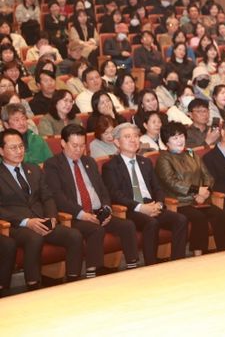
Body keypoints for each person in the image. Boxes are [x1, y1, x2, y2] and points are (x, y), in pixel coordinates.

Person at [44, 124, 138, 278]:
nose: (79, 150)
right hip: (74, 216)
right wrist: (82, 214)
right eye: (74, 145)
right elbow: (58, 197)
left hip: (96, 212)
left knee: (127, 225)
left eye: (82, 146)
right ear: (63, 143)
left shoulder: (89, 162)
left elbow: (103, 190)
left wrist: (106, 209)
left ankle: (133, 268)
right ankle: (92, 272)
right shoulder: (53, 165)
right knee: (96, 230)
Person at [0, 128, 83, 289]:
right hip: (15, 225)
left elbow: (47, 197)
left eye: (21, 146)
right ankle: (33, 285)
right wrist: (26, 222)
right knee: (34, 238)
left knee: (74, 235)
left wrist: (52, 217)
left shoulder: (34, 169)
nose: (19, 151)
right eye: (13, 148)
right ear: (1, 151)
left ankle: (73, 281)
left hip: (42, 220)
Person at [102, 123, 188, 265]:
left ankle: (177, 263)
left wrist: (159, 204)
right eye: (127, 137)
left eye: (136, 136)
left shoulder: (145, 162)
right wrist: (141, 208)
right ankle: (151, 265)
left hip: (151, 204)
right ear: (117, 142)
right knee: (151, 223)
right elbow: (115, 194)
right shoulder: (110, 166)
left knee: (180, 219)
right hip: (130, 209)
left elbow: (157, 188)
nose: (133, 140)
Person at [155, 122, 225, 255]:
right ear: (167, 142)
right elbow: (172, 182)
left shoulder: (191, 153)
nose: (180, 140)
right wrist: (196, 190)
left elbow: (207, 175)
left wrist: (205, 192)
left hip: (200, 200)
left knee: (222, 216)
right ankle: (198, 255)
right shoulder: (163, 158)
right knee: (199, 218)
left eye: (181, 136)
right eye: (175, 138)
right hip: (179, 202)